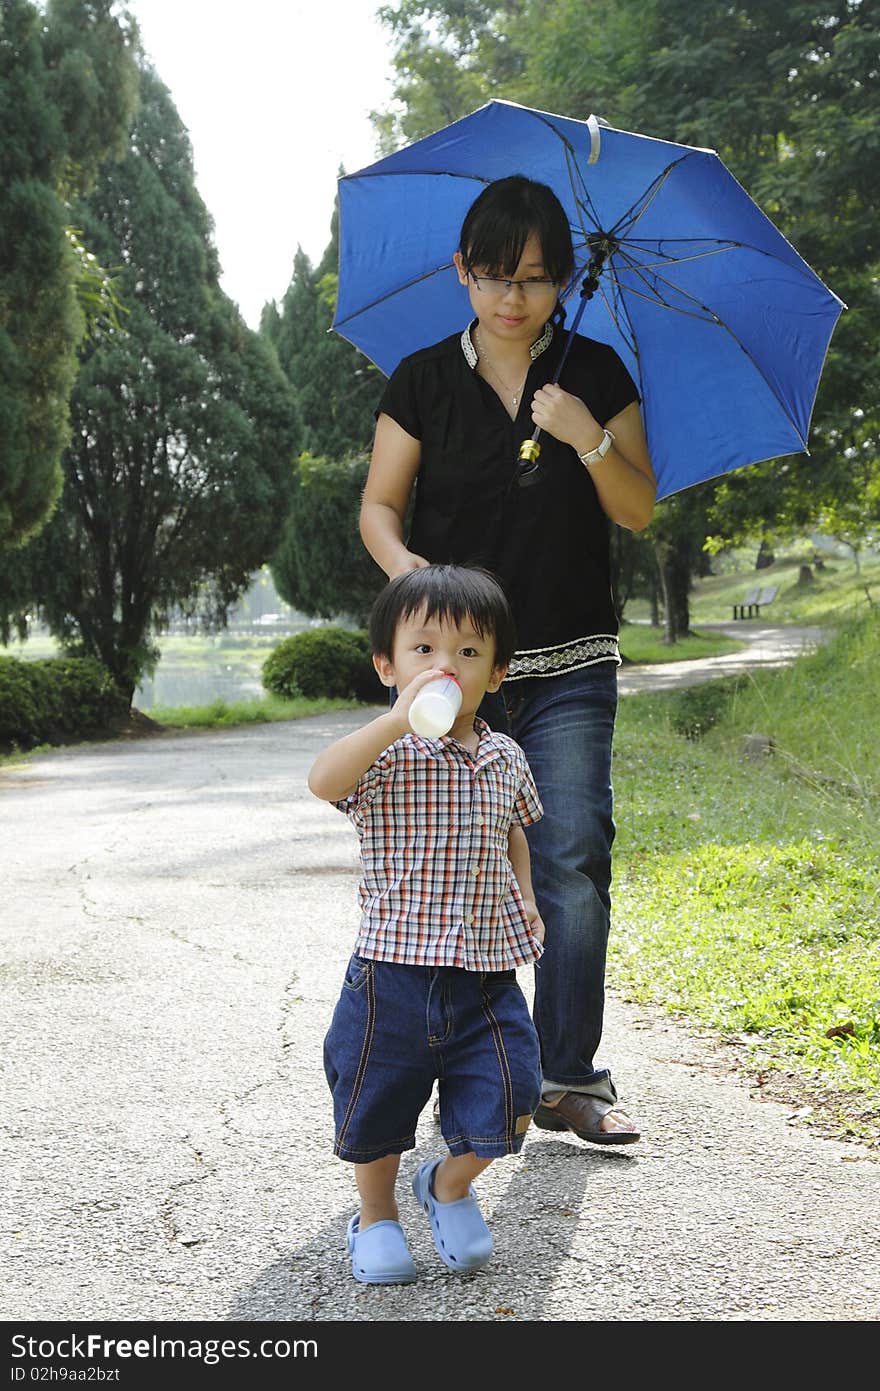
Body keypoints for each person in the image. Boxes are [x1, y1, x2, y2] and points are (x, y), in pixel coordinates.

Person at [359, 174, 656, 1145]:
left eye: (533, 278)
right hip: (455, 672)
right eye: (492, 275)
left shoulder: (596, 374)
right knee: (448, 860)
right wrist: (418, 586)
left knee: (570, 854)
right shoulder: (420, 381)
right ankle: (466, 1068)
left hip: (569, 659)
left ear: (562, 280)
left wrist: (589, 436)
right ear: (463, 272)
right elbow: (378, 507)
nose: (512, 298)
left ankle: (569, 1076)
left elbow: (637, 506)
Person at [309, 564, 546, 1284]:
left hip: (484, 974)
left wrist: (527, 894)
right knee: (375, 1106)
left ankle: (447, 1182)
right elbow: (324, 780)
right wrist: (392, 717)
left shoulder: (506, 755)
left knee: (515, 1091)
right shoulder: (388, 753)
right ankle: (377, 1214)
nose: (446, 666)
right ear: (388, 663)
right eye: (424, 650)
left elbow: (514, 831)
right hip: (391, 974)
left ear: (497, 672)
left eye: (469, 652)